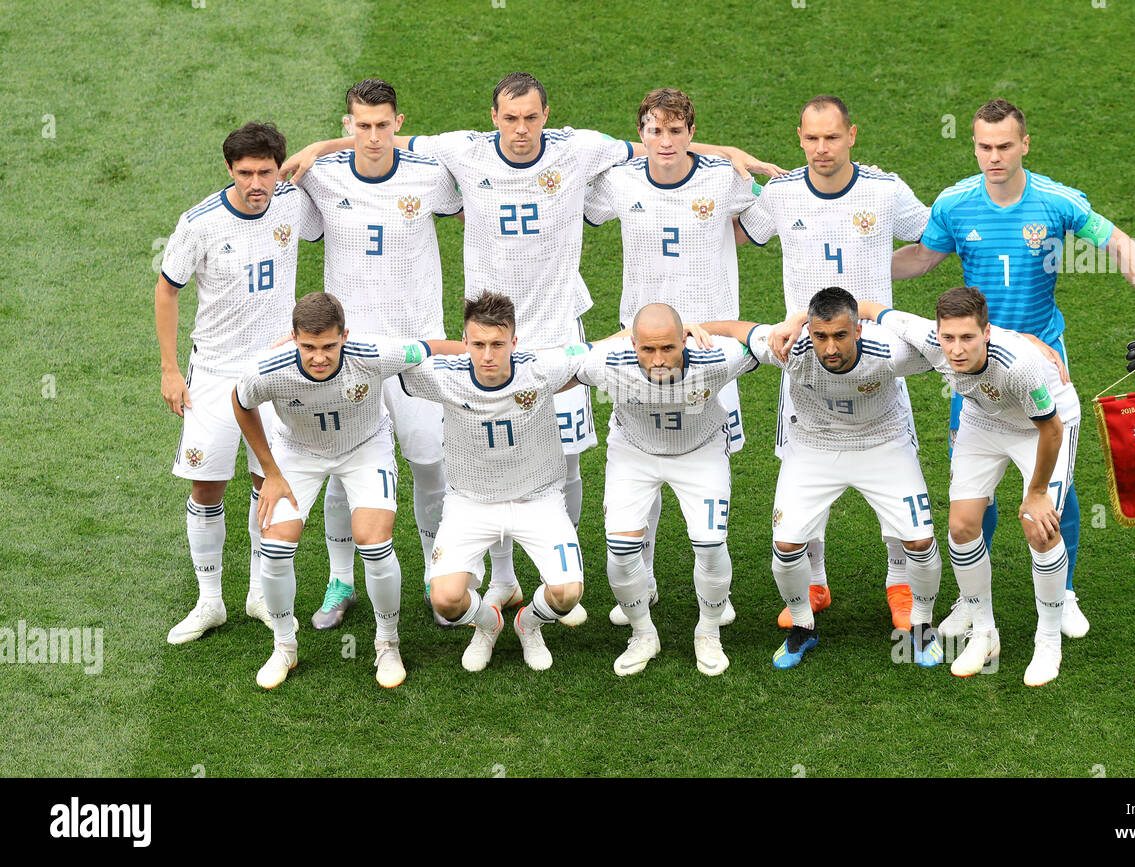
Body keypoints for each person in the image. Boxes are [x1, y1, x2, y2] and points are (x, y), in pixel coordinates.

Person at [284, 73, 779, 622]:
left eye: (532, 117)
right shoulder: (462, 151)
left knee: (564, 462)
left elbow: (654, 145)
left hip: (557, 336)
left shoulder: (581, 148)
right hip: (488, 343)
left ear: (548, 115)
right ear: (492, 118)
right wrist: (320, 147)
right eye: (510, 118)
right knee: (490, 460)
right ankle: (500, 579)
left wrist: (724, 152)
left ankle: (555, 574)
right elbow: (384, 140)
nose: (521, 130)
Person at [890, 98, 1135, 640]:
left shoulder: (1056, 202)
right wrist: (850, 258)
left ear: (1025, 144)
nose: (994, 157)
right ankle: (976, 599)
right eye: (983, 147)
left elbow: (1119, 246)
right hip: (973, 369)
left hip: (1042, 365)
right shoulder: (955, 204)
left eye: (1004, 146)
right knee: (972, 486)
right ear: (973, 145)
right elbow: (921, 258)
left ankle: (1063, 588)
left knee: (1052, 487)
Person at [736, 95, 931, 633]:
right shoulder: (778, 194)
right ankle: (814, 582)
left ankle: (898, 583)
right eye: (811, 138)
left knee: (895, 467)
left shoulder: (885, 191)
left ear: (852, 135)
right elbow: (730, 233)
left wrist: (885, 286)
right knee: (802, 473)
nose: (822, 149)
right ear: (799, 138)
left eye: (832, 137)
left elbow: (932, 238)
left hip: (878, 359)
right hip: (806, 357)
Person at [583, 87, 759, 627]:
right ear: (641, 134)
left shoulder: (724, 179)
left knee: (709, 448)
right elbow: (575, 208)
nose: (664, 140)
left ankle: (714, 581)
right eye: (654, 130)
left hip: (710, 346)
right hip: (641, 342)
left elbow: (756, 229)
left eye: (675, 130)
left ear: (690, 132)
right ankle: (646, 578)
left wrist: (733, 158)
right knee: (642, 447)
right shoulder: (618, 181)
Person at [291, 79, 463, 630]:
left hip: (417, 350)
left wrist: (322, 144)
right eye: (360, 125)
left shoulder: (429, 174)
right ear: (347, 126)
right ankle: (342, 578)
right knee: (345, 470)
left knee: (429, 461)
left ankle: (440, 570)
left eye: (382, 124)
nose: (371, 136)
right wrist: (320, 150)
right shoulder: (321, 177)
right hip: (348, 356)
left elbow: (471, 203)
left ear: (398, 123)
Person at [849, 287, 1081, 687]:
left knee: (1038, 526)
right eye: (948, 337)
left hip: (1041, 428)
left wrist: (1038, 492)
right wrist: (798, 320)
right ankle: (984, 632)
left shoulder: (1020, 366)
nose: (956, 349)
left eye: (968, 338)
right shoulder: (926, 337)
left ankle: (1047, 639)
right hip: (984, 421)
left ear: (986, 333)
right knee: (961, 527)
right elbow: (868, 309)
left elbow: (1052, 429)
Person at [231, 292, 464, 689]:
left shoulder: (373, 352)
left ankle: (387, 644)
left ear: (345, 337)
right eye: (308, 347)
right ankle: (284, 646)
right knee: (275, 545)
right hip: (298, 452)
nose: (318, 357)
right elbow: (240, 401)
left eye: (328, 346)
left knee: (373, 542)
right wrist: (270, 471)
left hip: (364, 448)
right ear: (293, 339)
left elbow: (431, 348)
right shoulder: (268, 369)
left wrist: (495, 360)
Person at [703, 288, 942, 669]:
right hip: (813, 447)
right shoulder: (789, 346)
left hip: (882, 444)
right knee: (785, 547)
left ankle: (922, 626)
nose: (830, 348)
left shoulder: (893, 351)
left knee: (920, 540)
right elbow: (738, 329)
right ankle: (802, 627)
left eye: (841, 336)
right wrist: (691, 329)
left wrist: (1025, 341)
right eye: (821, 336)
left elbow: (947, 339)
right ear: (809, 332)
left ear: (858, 331)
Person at [155, 122, 322, 645]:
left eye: (266, 172)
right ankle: (209, 602)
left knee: (265, 481)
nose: (256, 183)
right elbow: (166, 292)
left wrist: (322, 146)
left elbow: (360, 148)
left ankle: (254, 592)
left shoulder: (292, 201)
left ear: (279, 169)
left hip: (276, 373)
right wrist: (169, 369)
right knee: (207, 486)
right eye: (245, 173)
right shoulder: (199, 222)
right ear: (229, 170)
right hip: (214, 375)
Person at [397, 293, 598, 672]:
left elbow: (598, 348)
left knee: (568, 594)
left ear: (514, 343)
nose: (487, 355)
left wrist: (677, 331)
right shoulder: (444, 376)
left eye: (497, 344)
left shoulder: (540, 369)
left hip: (537, 499)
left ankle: (528, 624)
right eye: (478, 344)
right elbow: (387, 357)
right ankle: (489, 625)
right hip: (470, 503)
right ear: (465, 342)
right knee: (445, 599)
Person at [574, 303, 758, 676]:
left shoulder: (717, 356)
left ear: (684, 341)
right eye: (647, 349)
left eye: (668, 348)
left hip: (700, 451)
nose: (658, 360)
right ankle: (643, 634)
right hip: (634, 452)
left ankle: (708, 631)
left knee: (710, 542)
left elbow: (761, 336)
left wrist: (702, 324)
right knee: (621, 549)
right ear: (633, 344)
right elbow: (569, 361)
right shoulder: (609, 360)